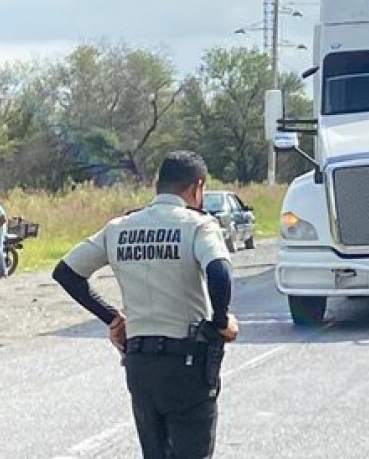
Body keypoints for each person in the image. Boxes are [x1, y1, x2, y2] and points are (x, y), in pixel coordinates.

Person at [52, 150, 239, 459]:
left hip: (140, 364)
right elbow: (219, 271)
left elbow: (66, 273)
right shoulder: (198, 225)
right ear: (197, 187)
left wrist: (113, 317)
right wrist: (220, 322)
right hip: (188, 363)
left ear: (160, 186)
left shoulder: (119, 227)